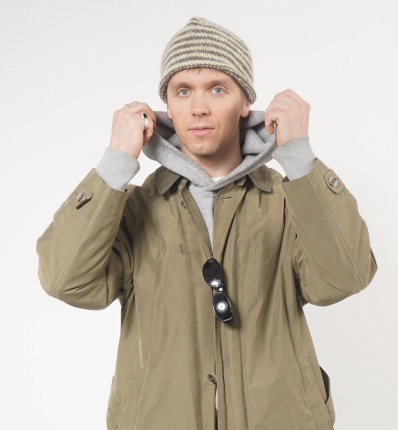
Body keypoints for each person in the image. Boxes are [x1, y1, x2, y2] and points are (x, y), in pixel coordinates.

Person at [36, 16, 378, 430]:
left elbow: (344, 278)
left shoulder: (290, 200)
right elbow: (65, 281)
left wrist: (299, 159)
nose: (198, 107)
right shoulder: (134, 208)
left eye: (218, 88)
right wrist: (115, 163)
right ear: (168, 106)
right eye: (183, 90)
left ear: (245, 102)